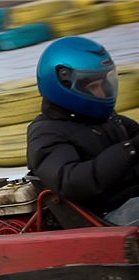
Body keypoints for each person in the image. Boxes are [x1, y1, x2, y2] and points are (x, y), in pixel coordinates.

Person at [26, 36, 139, 226]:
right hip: (106, 215)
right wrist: (129, 150)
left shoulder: (105, 119)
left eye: (103, 84)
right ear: (63, 85)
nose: (102, 93)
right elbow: (72, 182)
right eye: (93, 87)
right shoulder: (46, 133)